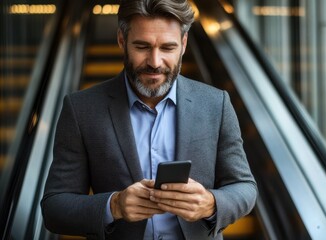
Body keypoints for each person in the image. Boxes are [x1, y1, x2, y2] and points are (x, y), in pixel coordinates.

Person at [40, 0, 258, 239]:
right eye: (142, 46)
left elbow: (245, 187)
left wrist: (212, 203)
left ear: (183, 45)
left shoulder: (217, 104)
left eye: (167, 48)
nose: (155, 62)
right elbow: (54, 207)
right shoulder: (81, 108)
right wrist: (114, 206)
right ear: (122, 41)